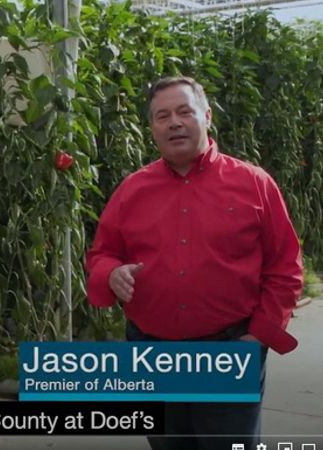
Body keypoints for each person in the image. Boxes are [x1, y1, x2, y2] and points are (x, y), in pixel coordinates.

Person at [85, 76, 303, 450]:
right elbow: (102, 253)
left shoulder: (253, 184)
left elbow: (285, 267)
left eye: (185, 111)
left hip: (228, 348)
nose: (174, 122)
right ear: (152, 128)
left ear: (207, 115)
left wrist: (256, 338)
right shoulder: (132, 190)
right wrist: (112, 273)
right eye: (162, 115)